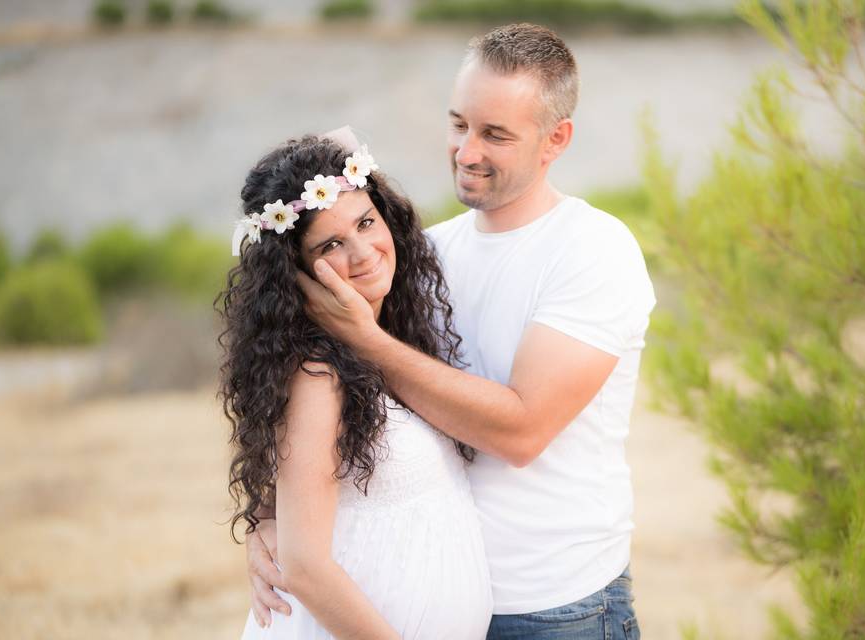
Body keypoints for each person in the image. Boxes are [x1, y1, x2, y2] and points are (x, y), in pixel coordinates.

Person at [249, 23, 655, 639]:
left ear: (555, 140)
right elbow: (292, 377)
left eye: (495, 134)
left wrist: (369, 340)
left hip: (554, 608)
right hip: (427, 607)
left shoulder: (594, 251)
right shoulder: (419, 257)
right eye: (458, 124)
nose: (467, 151)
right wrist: (268, 518)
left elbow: (520, 431)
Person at [219, 134, 493, 639]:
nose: (364, 252)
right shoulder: (317, 374)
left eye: (366, 222)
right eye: (330, 245)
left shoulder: (395, 342)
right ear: (294, 272)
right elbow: (303, 567)